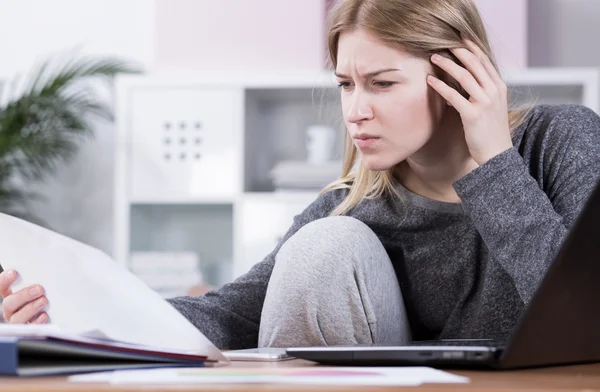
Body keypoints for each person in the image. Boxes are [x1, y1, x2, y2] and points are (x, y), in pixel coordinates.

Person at [1, 0, 600, 350]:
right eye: (346, 84)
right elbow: (228, 313)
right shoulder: (352, 205)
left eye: (382, 83)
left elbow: (585, 312)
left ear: (461, 75)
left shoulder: (561, 140)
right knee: (325, 246)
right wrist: (71, 317)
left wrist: (495, 162)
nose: (355, 110)